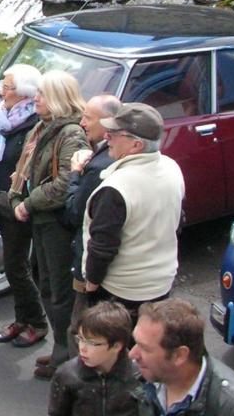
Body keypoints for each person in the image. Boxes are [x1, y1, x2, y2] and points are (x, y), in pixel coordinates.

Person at [11, 70, 90, 379]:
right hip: (43, 221)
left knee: (60, 293)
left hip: (55, 224)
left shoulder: (70, 134)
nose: (36, 99)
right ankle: (61, 350)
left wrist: (29, 203)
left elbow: (64, 184)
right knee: (47, 285)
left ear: (57, 98)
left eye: (42, 94)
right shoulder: (44, 128)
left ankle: (68, 359)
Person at [82, 103, 185, 317]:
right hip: (161, 284)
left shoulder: (116, 188)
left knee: (114, 347)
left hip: (121, 292)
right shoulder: (171, 167)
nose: (107, 137)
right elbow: (178, 220)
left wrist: (91, 283)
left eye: (115, 133)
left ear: (136, 145)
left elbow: (102, 247)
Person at [0, 64, 47, 347]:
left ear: (24, 95)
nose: (1, 90)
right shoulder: (7, 118)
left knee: (17, 266)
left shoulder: (31, 127)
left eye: (7, 87)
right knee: (14, 266)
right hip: (3, 202)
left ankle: (36, 322)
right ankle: (22, 319)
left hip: (19, 205)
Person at [130, 299, 234, 416]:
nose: (132, 354)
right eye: (135, 342)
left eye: (145, 348)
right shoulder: (141, 374)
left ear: (179, 355)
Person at [67, 94, 123, 342]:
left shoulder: (99, 167)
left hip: (90, 264)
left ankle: (72, 372)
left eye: (88, 117)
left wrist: (75, 174)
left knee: (80, 327)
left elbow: (75, 211)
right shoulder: (104, 154)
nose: (82, 123)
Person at [47, 302, 140, 416]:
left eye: (91, 343)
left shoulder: (139, 376)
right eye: (80, 339)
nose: (82, 348)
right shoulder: (67, 375)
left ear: (117, 346)